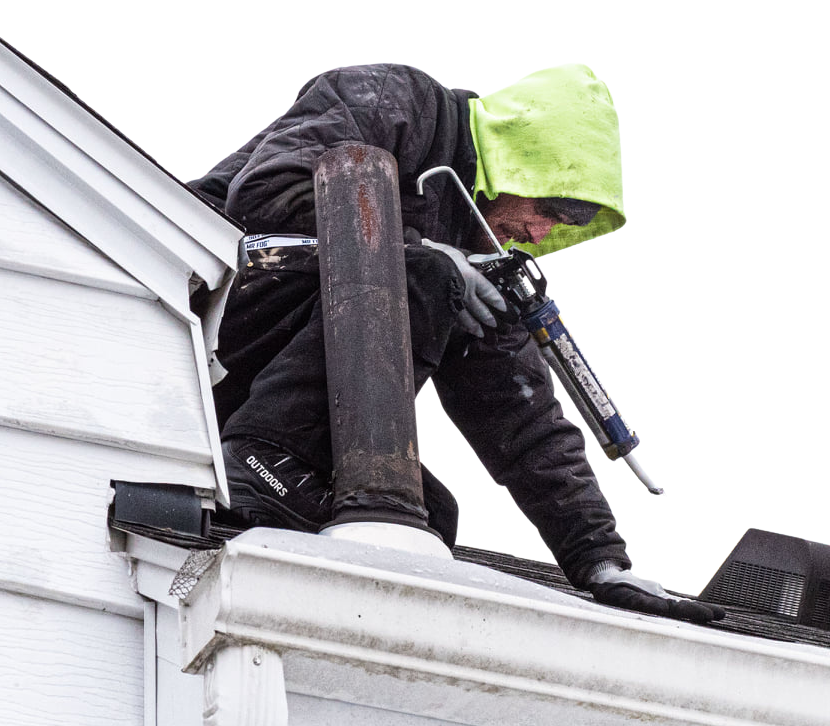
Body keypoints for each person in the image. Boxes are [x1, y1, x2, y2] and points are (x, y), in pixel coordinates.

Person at [192, 62, 721, 625]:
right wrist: (425, 253)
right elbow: (266, 198)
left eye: (574, 220)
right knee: (422, 273)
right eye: (555, 209)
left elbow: (522, 418)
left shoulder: (478, 258)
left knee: (427, 519)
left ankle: (282, 498)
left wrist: (600, 562)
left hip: (268, 378)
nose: (544, 234)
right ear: (525, 157)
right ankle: (261, 456)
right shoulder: (398, 105)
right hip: (202, 327)